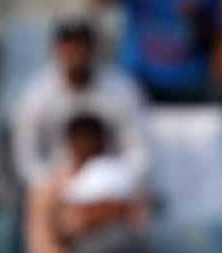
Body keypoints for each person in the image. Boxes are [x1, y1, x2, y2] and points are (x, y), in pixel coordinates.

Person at [26, 113, 147, 253]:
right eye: (81, 141)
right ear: (69, 144)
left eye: (93, 141)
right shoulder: (49, 189)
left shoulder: (121, 180)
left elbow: (139, 229)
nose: (87, 147)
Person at [13, 19, 148, 189]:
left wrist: (117, 181)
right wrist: (53, 185)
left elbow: (139, 153)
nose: (76, 57)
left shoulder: (122, 90)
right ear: (57, 51)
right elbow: (26, 156)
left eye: (81, 49)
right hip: (56, 183)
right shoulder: (37, 95)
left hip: (110, 184)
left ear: (93, 51)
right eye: (70, 49)